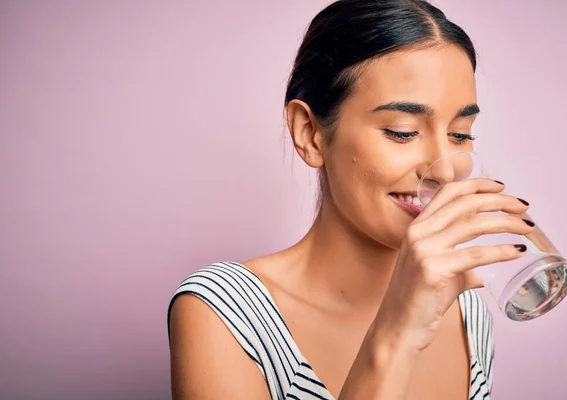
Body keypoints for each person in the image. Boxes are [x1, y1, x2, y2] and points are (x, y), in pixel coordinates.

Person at [168, 1, 535, 398]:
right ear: (310, 133)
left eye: (461, 134)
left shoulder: (467, 312)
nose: (445, 171)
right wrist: (398, 334)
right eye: (402, 131)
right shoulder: (224, 313)